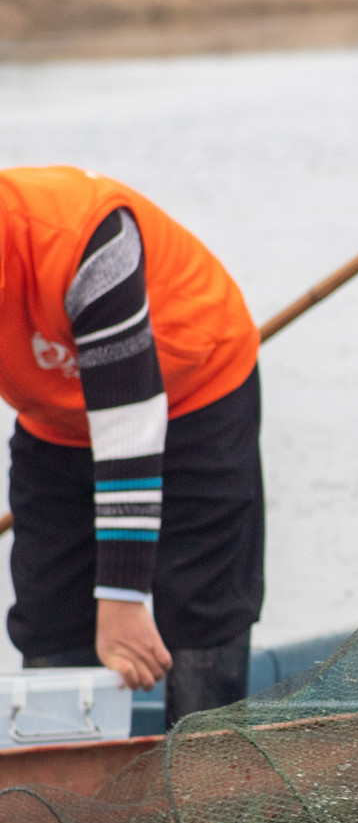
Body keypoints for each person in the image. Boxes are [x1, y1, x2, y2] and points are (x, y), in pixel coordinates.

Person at [0, 166, 264, 727]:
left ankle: (207, 791)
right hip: (54, 421)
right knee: (49, 616)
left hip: (193, 395)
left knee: (198, 607)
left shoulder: (82, 237)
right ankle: (56, 798)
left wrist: (122, 597)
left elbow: (128, 427)